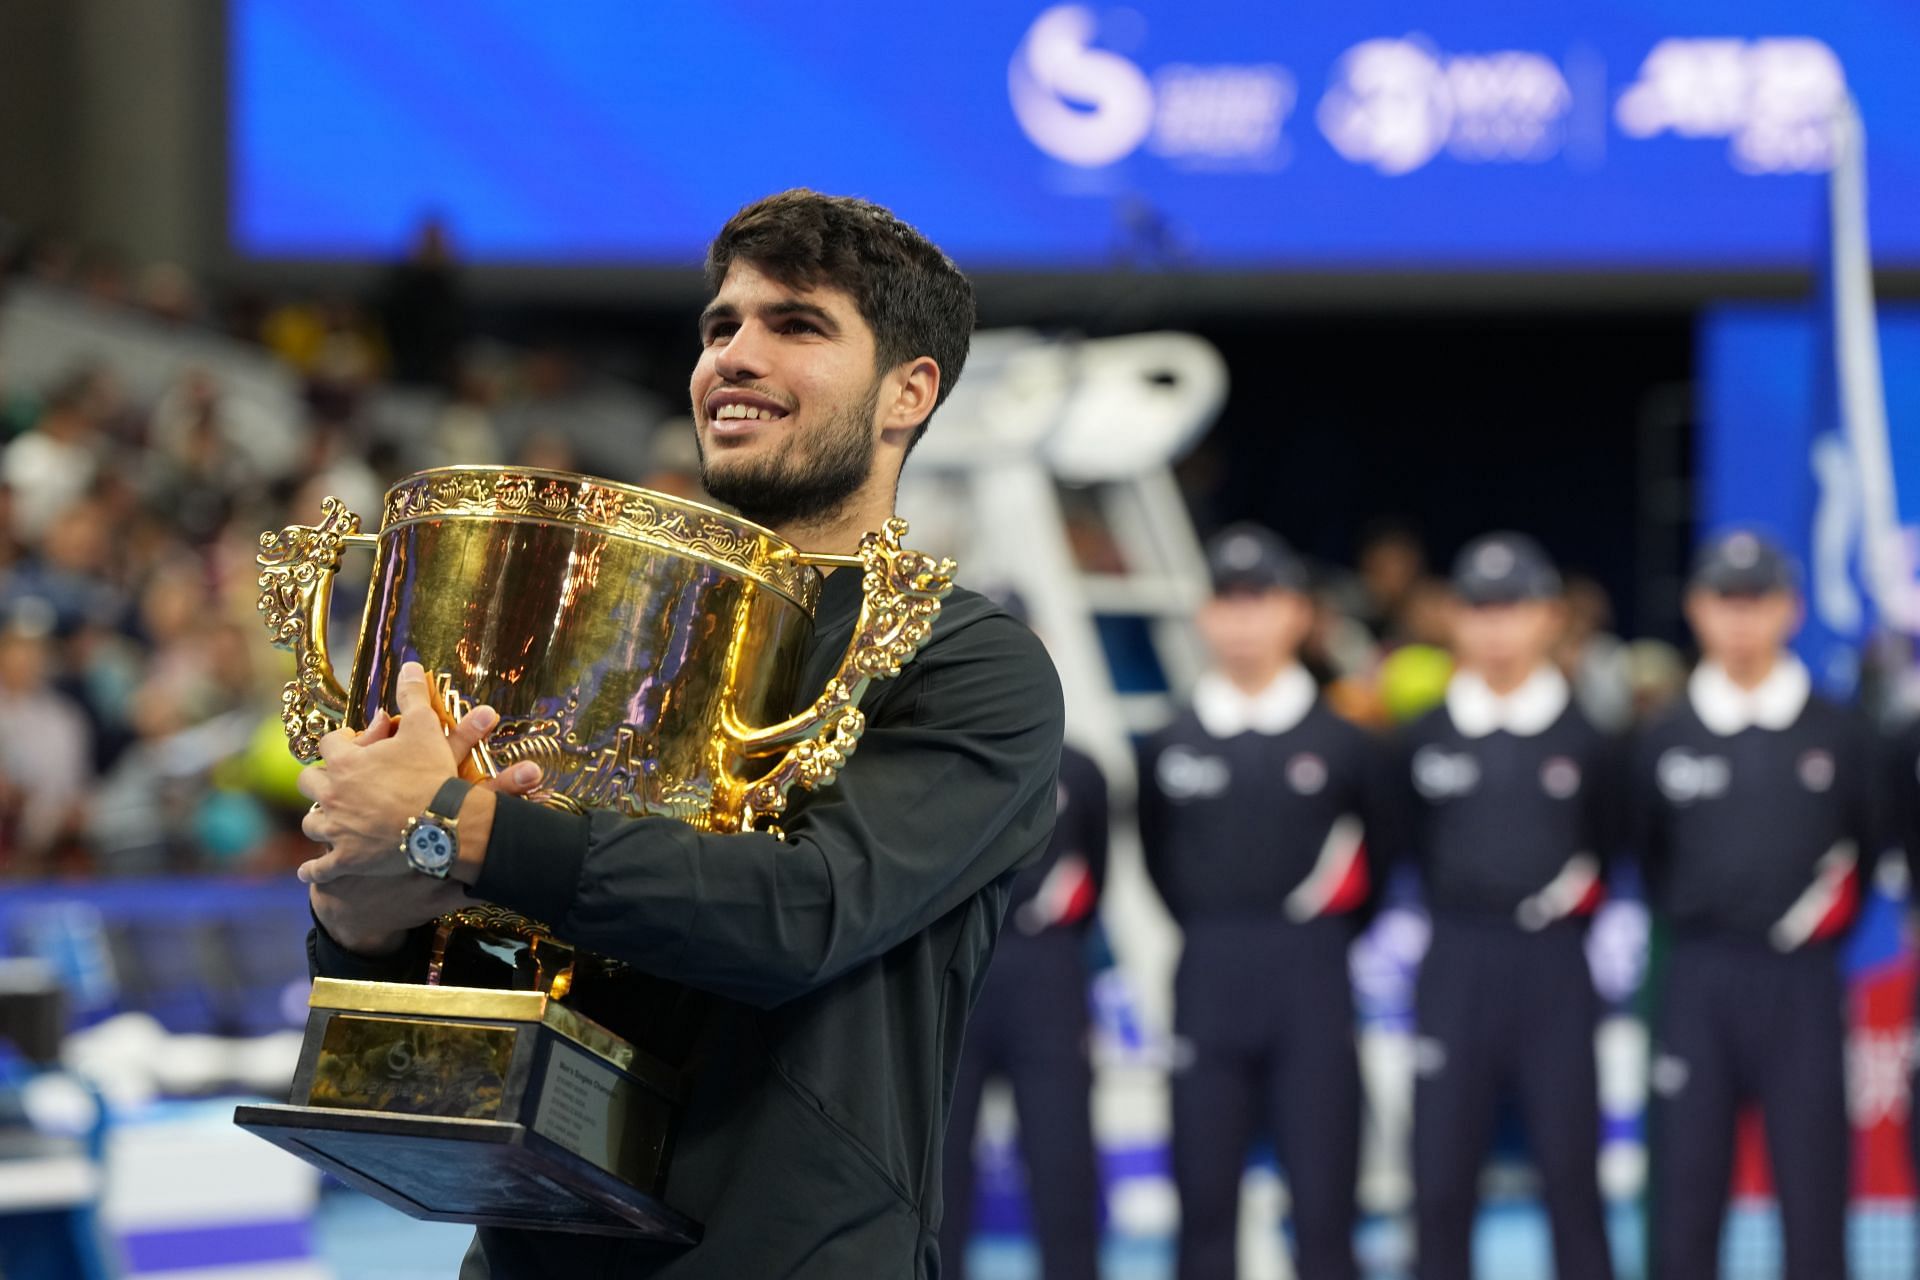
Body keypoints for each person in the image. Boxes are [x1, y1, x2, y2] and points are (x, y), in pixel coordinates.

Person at [293, 190, 1066, 1279]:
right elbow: (487, 962)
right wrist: (358, 917)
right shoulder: (615, 623)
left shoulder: (965, 660)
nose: (734, 356)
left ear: (909, 391)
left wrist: (451, 825)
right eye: (720, 326)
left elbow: (806, 911)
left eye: (796, 325)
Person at [1139, 523, 1390, 1280]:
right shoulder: (1168, 744)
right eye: (1228, 601)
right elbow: (1162, 864)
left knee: (1323, 1210)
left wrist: (1315, 933)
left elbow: (1385, 856)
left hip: (1312, 977)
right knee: (1204, 1207)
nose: (1245, 621)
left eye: (1263, 600)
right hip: (1209, 972)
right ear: (1205, 616)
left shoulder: (1347, 746)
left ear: (1298, 614)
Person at [1634, 530, 1871, 1280]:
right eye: (1724, 601)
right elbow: (1645, 850)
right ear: (1694, 609)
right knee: (1684, 1195)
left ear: (1791, 610)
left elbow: (1867, 842)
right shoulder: (1657, 736)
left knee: (1813, 1195)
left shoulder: (1841, 733)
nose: (1741, 619)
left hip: (1802, 981)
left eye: (1757, 600)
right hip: (1696, 978)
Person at [1397, 532, 1614, 1280]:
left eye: (1513, 607)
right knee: (1440, 1183)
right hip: (1456, 958)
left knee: (1572, 1178)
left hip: (1555, 965)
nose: (1496, 627)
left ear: (1549, 616)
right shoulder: (1419, 739)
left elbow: (1615, 845)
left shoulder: (1593, 740)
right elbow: (1405, 843)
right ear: (1455, 618)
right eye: (1480, 609)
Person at [939, 732, 1108, 1280]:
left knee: (1063, 1159)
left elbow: (1096, 871)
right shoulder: (940, 762)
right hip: (953, 974)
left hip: (1047, 975)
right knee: (935, 1170)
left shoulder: (1079, 770)